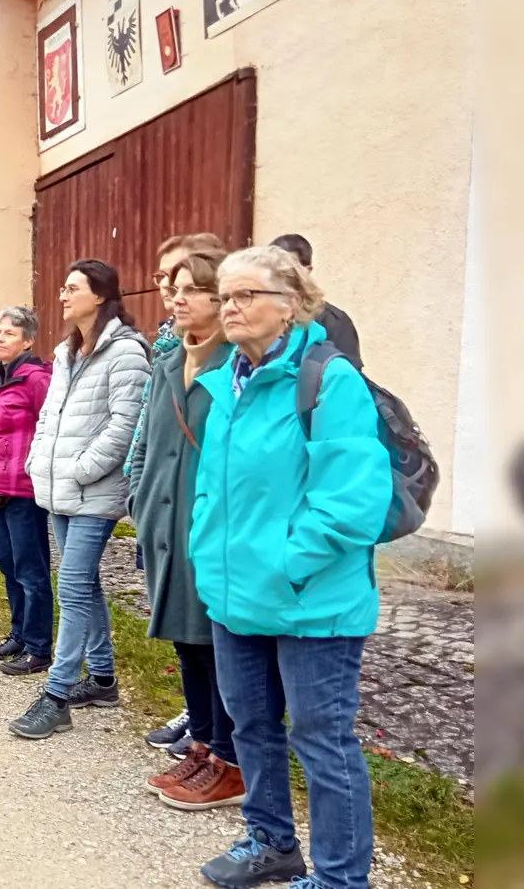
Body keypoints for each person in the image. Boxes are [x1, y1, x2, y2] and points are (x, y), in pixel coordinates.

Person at [192, 246, 388, 889]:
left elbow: (352, 500)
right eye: (226, 296)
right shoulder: (228, 382)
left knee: (322, 742)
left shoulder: (328, 379)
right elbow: (213, 488)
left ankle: (340, 879)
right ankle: (271, 842)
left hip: (313, 601)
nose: (232, 307)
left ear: (291, 304)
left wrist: (287, 564)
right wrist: (204, 548)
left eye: (247, 295)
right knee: (250, 725)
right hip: (235, 594)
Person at [126, 249, 246, 812]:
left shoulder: (236, 366)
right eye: (171, 289)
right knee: (184, 638)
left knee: (215, 643)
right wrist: (140, 501)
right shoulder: (170, 362)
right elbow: (147, 440)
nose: (174, 299)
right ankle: (200, 745)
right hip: (164, 522)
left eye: (188, 290)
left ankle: (229, 759)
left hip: (211, 528)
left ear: (222, 300)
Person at [10, 259, 150, 740]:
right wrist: (38, 461)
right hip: (61, 488)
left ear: (100, 295)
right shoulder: (67, 351)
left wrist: (81, 468)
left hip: (96, 490)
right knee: (84, 583)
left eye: (73, 288)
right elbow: (49, 416)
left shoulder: (127, 353)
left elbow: (125, 423)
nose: (64, 295)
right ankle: (104, 679)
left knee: (70, 585)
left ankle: (57, 694)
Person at [0, 306, 54, 675]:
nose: (1, 338)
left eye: (10, 333)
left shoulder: (36, 380)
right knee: (7, 563)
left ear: (28, 341)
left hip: (23, 488)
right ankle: (19, 635)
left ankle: (39, 647)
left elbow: (49, 431)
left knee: (31, 568)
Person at [270, 233, 363, 368]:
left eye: (289, 269)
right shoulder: (257, 312)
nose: (280, 275)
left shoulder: (333, 321)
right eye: (274, 269)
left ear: (307, 270)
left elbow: (348, 380)